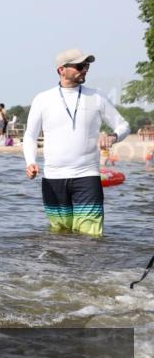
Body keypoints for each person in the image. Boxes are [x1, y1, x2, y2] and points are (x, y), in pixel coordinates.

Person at [23, 49, 129, 236]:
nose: (85, 70)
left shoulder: (97, 96)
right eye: (80, 66)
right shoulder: (42, 99)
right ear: (61, 70)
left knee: (91, 237)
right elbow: (30, 136)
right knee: (59, 236)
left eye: (87, 66)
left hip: (87, 176)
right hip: (53, 178)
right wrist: (30, 162)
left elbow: (123, 126)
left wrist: (112, 137)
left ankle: (88, 266)